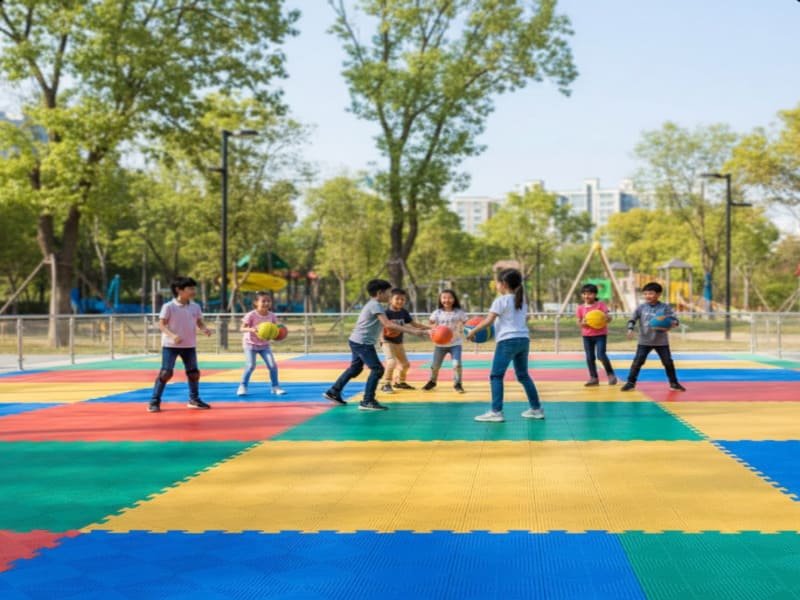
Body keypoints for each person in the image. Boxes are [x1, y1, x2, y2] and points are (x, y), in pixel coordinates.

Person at [323, 279, 427, 411]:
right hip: (362, 343)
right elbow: (388, 324)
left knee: (355, 369)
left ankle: (333, 391)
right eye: (388, 293)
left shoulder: (374, 305)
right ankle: (367, 400)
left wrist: (423, 329)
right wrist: (413, 331)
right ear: (379, 292)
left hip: (357, 341)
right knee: (377, 369)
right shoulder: (375, 305)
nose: (389, 296)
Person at [467, 269, 544, 423]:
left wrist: (472, 331)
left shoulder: (501, 301)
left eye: (497, 282)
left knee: (496, 376)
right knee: (523, 375)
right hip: (523, 340)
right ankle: (536, 409)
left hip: (508, 342)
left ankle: (496, 412)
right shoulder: (522, 301)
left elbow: (488, 321)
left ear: (503, 284)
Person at [149, 276, 214, 413]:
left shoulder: (195, 306)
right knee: (166, 373)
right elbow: (161, 325)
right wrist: (173, 336)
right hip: (170, 346)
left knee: (194, 373)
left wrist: (204, 329)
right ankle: (154, 401)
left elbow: (199, 322)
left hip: (189, 346)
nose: (193, 291)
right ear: (179, 290)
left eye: (193, 288)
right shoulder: (168, 307)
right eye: (190, 288)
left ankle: (194, 399)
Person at [620, 281, 686, 392]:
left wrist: (672, 324)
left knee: (668, 362)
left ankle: (674, 383)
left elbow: (675, 320)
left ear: (659, 294)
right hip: (644, 340)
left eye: (650, 293)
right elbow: (632, 319)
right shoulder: (641, 308)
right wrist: (630, 329)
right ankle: (630, 382)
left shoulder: (665, 308)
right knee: (637, 362)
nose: (647, 296)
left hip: (661, 342)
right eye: (645, 294)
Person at [380, 288, 430, 393]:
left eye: (402, 299)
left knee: (405, 365)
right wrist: (381, 339)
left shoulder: (403, 312)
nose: (400, 301)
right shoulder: (386, 313)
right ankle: (386, 384)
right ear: (390, 300)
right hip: (387, 341)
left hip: (398, 342)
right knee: (391, 362)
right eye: (397, 299)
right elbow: (380, 327)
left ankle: (400, 382)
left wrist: (430, 328)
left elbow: (415, 324)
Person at [237, 291, 285, 397]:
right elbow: (241, 328)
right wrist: (252, 329)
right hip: (250, 344)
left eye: (268, 301)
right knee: (250, 366)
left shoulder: (272, 315)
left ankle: (275, 387)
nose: (266, 303)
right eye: (263, 301)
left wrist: (279, 334)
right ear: (256, 303)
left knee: (272, 365)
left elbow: (275, 329)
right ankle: (242, 386)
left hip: (264, 345)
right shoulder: (251, 315)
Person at [422, 289, 469, 393]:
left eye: (449, 297)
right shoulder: (436, 313)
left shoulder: (459, 312)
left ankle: (458, 383)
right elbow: (431, 325)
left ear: (454, 299)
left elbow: (467, 324)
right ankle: (432, 381)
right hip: (440, 345)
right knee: (435, 366)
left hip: (455, 343)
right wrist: (433, 332)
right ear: (440, 299)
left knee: (456, 364)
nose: (447, 300)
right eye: (444, 297)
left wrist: (469, 332)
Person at [576, 283, 617, 386]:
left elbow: (609, 318)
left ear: (595, 295)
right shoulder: (580, 308)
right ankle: (593, 378)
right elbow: (579, 322)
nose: (587, 296)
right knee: (590, 357)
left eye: (590, 294)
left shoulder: (600, 305)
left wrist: (607, 319)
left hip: (600, 335)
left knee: (601, 355)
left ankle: (610, 374)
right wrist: (582, 324)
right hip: (587, 336)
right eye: (584, 294)